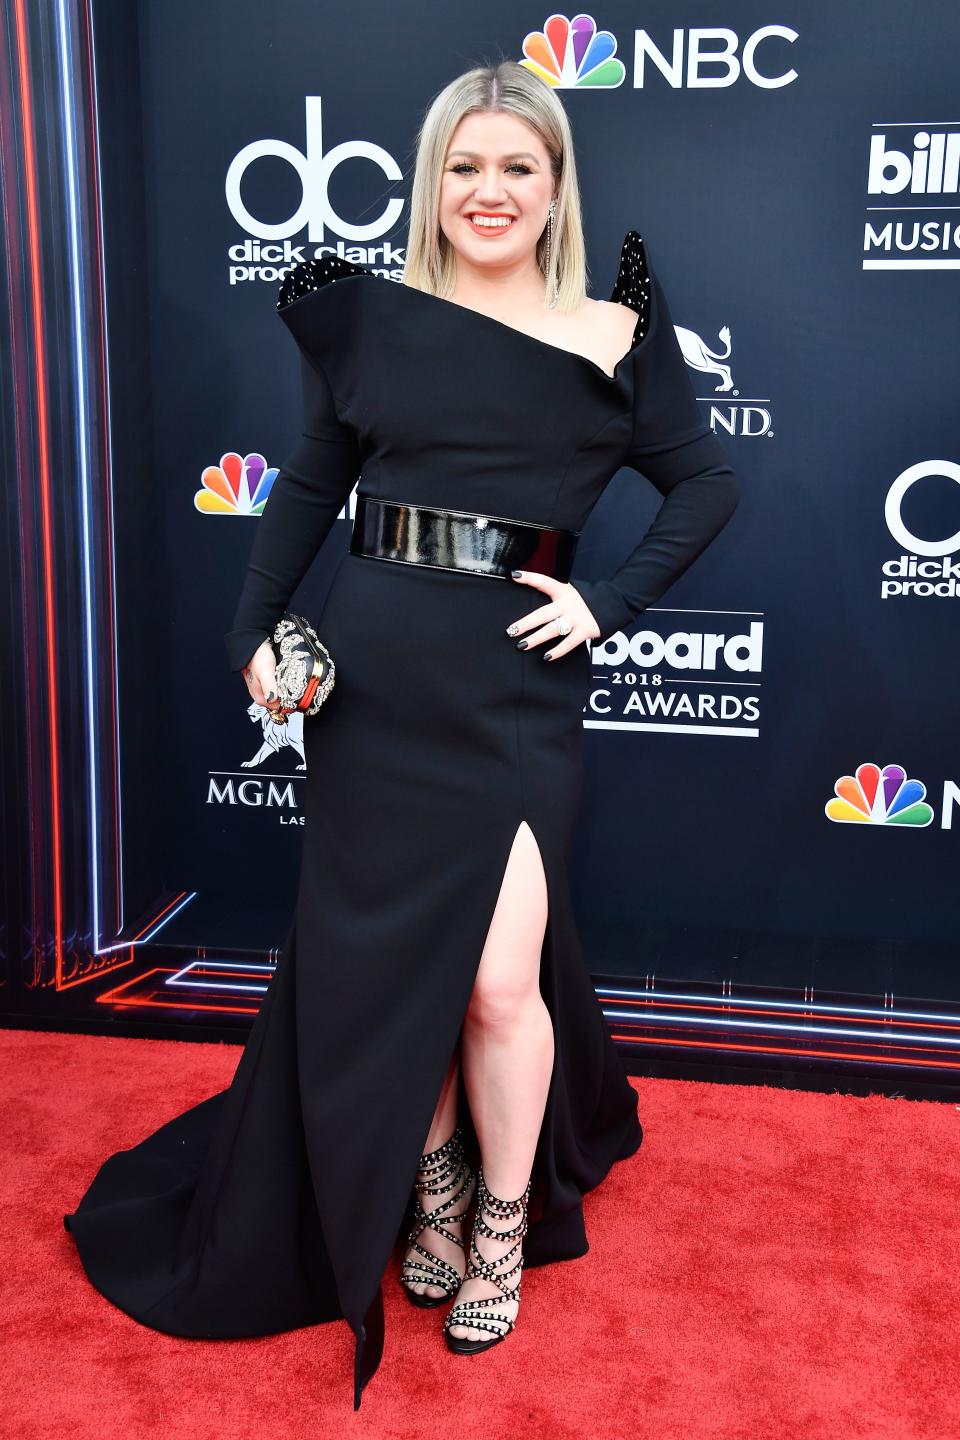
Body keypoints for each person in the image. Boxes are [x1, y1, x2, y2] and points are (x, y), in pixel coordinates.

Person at [63, 60, 739, 1409]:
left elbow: (705, 482)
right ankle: (424, 1193)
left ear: (556, 187)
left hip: (510, 687)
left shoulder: (614, 330)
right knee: (398, 974)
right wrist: (258, 627)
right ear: (435, 183)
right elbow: (313, 479)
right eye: (466, 167)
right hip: (375, 674)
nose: (491, 192)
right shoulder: (374, 321)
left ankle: (501, 1219)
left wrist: (606, 601)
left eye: (519, 169)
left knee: (498, 981)